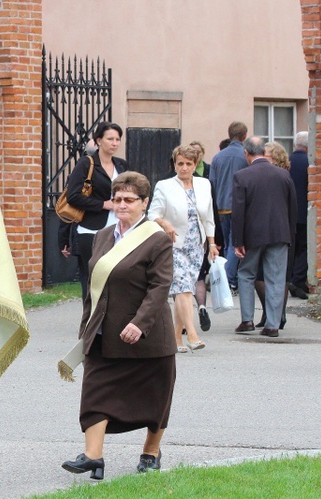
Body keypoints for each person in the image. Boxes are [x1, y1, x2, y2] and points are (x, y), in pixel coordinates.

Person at [62, 171, 175, 478]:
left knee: (155, 398)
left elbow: (160, 287)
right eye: (117, 199)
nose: (122, 205)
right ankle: (92, 456)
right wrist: (86, 326)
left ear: (144, 203)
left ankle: (151, 452)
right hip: (104, 332)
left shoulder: (156, 239)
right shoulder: (102, 237)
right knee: (95, 393)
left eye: (129, 199)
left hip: (147, 336)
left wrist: (140, 323)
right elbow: (93, 288)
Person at [149, 146, 218, 352]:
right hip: (173, 244)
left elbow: (209, 217)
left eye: (189, 164)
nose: (184, 168)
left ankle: (176, 338)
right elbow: (152, 213)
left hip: (196, 244)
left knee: (184, 289)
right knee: (184, 289)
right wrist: (165, 223)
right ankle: (193, 334)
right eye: (180, 163)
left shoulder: (204, 184)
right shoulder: (165, 185)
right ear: (175, 164)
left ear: (195, 165)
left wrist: (212, 244)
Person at [233, 137, 297, 338]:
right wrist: (289, 234)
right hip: (280, 233)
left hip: (252, 235)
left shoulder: (242, 176)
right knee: (276, 278)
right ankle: (272, 325)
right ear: (263, 151)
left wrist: (238, 241)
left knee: (246, 274)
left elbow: (239, 211)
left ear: (246, 153)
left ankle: (247, 320)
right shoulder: (283, 175)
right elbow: (292, 207)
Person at [66, 122, 129, 299]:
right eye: (110, 139)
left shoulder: (122, 165)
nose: (115, 143)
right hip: (91, 229)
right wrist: (103, 204)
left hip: (119, 228)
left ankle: (110, 321)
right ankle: (90, 322)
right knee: (92, 277)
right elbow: (73, 196)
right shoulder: (87, 164)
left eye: (118, 139)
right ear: (99, 140)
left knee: (116, 276)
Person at [254, 141, 293, 328]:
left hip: (275, 231)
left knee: (270, 275)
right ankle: (276, 315)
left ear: (275, 157)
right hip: (283, 230)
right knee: (276, 276)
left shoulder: (280, 176)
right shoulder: (282, 175)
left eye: (267, 155)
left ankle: (274, 315)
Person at [210, 121, 248, 293]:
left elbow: (212, 183)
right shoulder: (245, 156)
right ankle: (228, 280)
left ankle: (225, 279)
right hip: (239, 206)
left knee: (226, 245)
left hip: (220, 206)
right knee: (235, 244)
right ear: (244, 136)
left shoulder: (218, 157)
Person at [188, 141, 222, 331]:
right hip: (193, 237)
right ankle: (200, 308)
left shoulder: (206, 180)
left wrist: (214, 241)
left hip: (198, 238)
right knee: (197, 277)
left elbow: (211, 214)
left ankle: (193, 313)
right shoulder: (204, 183)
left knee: (188, 278)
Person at [289, 131, 310, 299]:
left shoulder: (287, 161)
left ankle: (291, 278)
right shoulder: (309, 162)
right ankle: (298, 280)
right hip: (304, 212)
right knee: (304, 247)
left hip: (288, 213)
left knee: (292, 248)